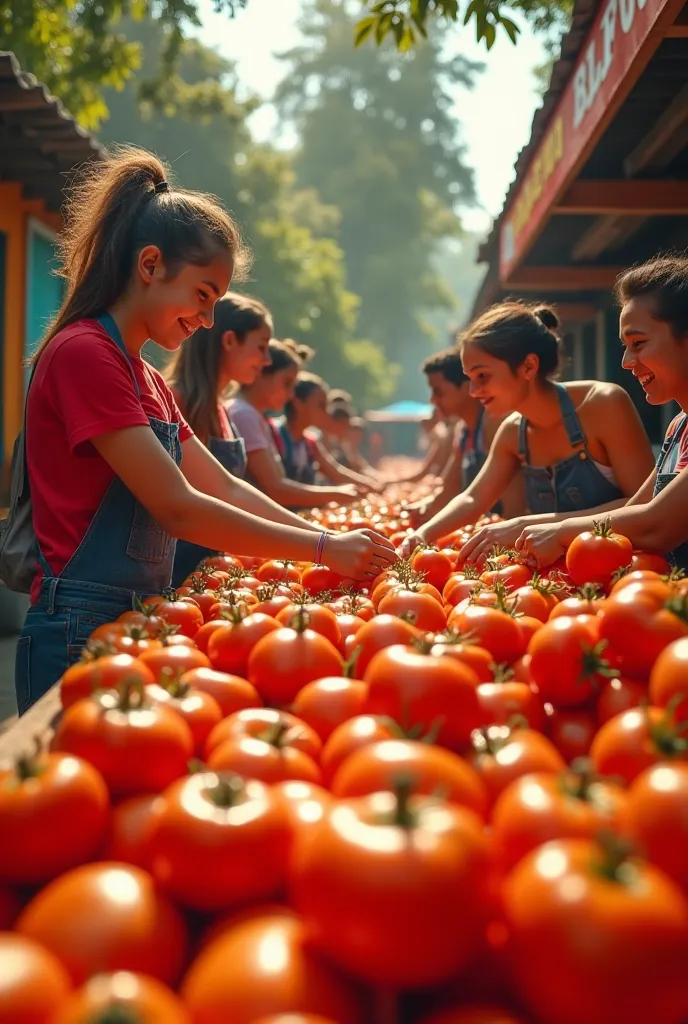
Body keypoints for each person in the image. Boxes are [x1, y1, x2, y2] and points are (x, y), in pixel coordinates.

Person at [15, 146, 395, 713]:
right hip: (78, 626)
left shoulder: (144, 374)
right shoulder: (85, 354)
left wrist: (327, 544)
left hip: (138, 617)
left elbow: (226, 486)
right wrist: (319, 547)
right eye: (202, 295)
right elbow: (178, 507)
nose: (208, 319)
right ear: (149, 266)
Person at [400, 301, 654, 560]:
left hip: (628, 570)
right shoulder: (512, 432)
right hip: (556, 580)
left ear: (529, 367)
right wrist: (420, 535)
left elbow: (645, 505)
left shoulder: (603, 404)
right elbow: (473, 499)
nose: (474, 392)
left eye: (483, 376)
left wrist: (531, 525)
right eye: (470, 378)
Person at [514, 256, 688, 570]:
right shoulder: (679, 427)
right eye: (625, 345)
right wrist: (529, 527)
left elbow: (655, 526)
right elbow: (638, 509)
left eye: (639, 343)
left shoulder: (602, 402)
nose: (626, 361)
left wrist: (559, 531)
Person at [166, 291, 274, 584]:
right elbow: (205, 498)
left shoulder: (223, 411)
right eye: (261, 347)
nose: (266, 361)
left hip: (214, 575)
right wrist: (318, 543)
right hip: (177, 578)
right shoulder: (173, 401)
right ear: (228, 341)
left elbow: (231, 492)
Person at [228, 341, 363, 508]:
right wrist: (336, 495)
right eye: (287, 383)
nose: (291, 394)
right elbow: (276, 490)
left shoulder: (255, 417)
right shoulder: (245, 415)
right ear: (261, 373)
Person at [406, 348, 524, 524]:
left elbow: (515, 505)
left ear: (465, 386)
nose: (433, 401)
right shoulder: (463, 432)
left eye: (439, 392)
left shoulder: (494, 424)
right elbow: (449, 489)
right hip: (485, 529)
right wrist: (423, 509)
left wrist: (507, 542)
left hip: (503, 530)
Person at [276, 372, 377, 489]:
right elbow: (278, 488)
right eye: (321, 405)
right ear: (298, 404)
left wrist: (371, 485)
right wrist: (338, 492)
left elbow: (336, 473)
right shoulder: (274, 435)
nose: (327, 412)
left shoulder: (310, 443)